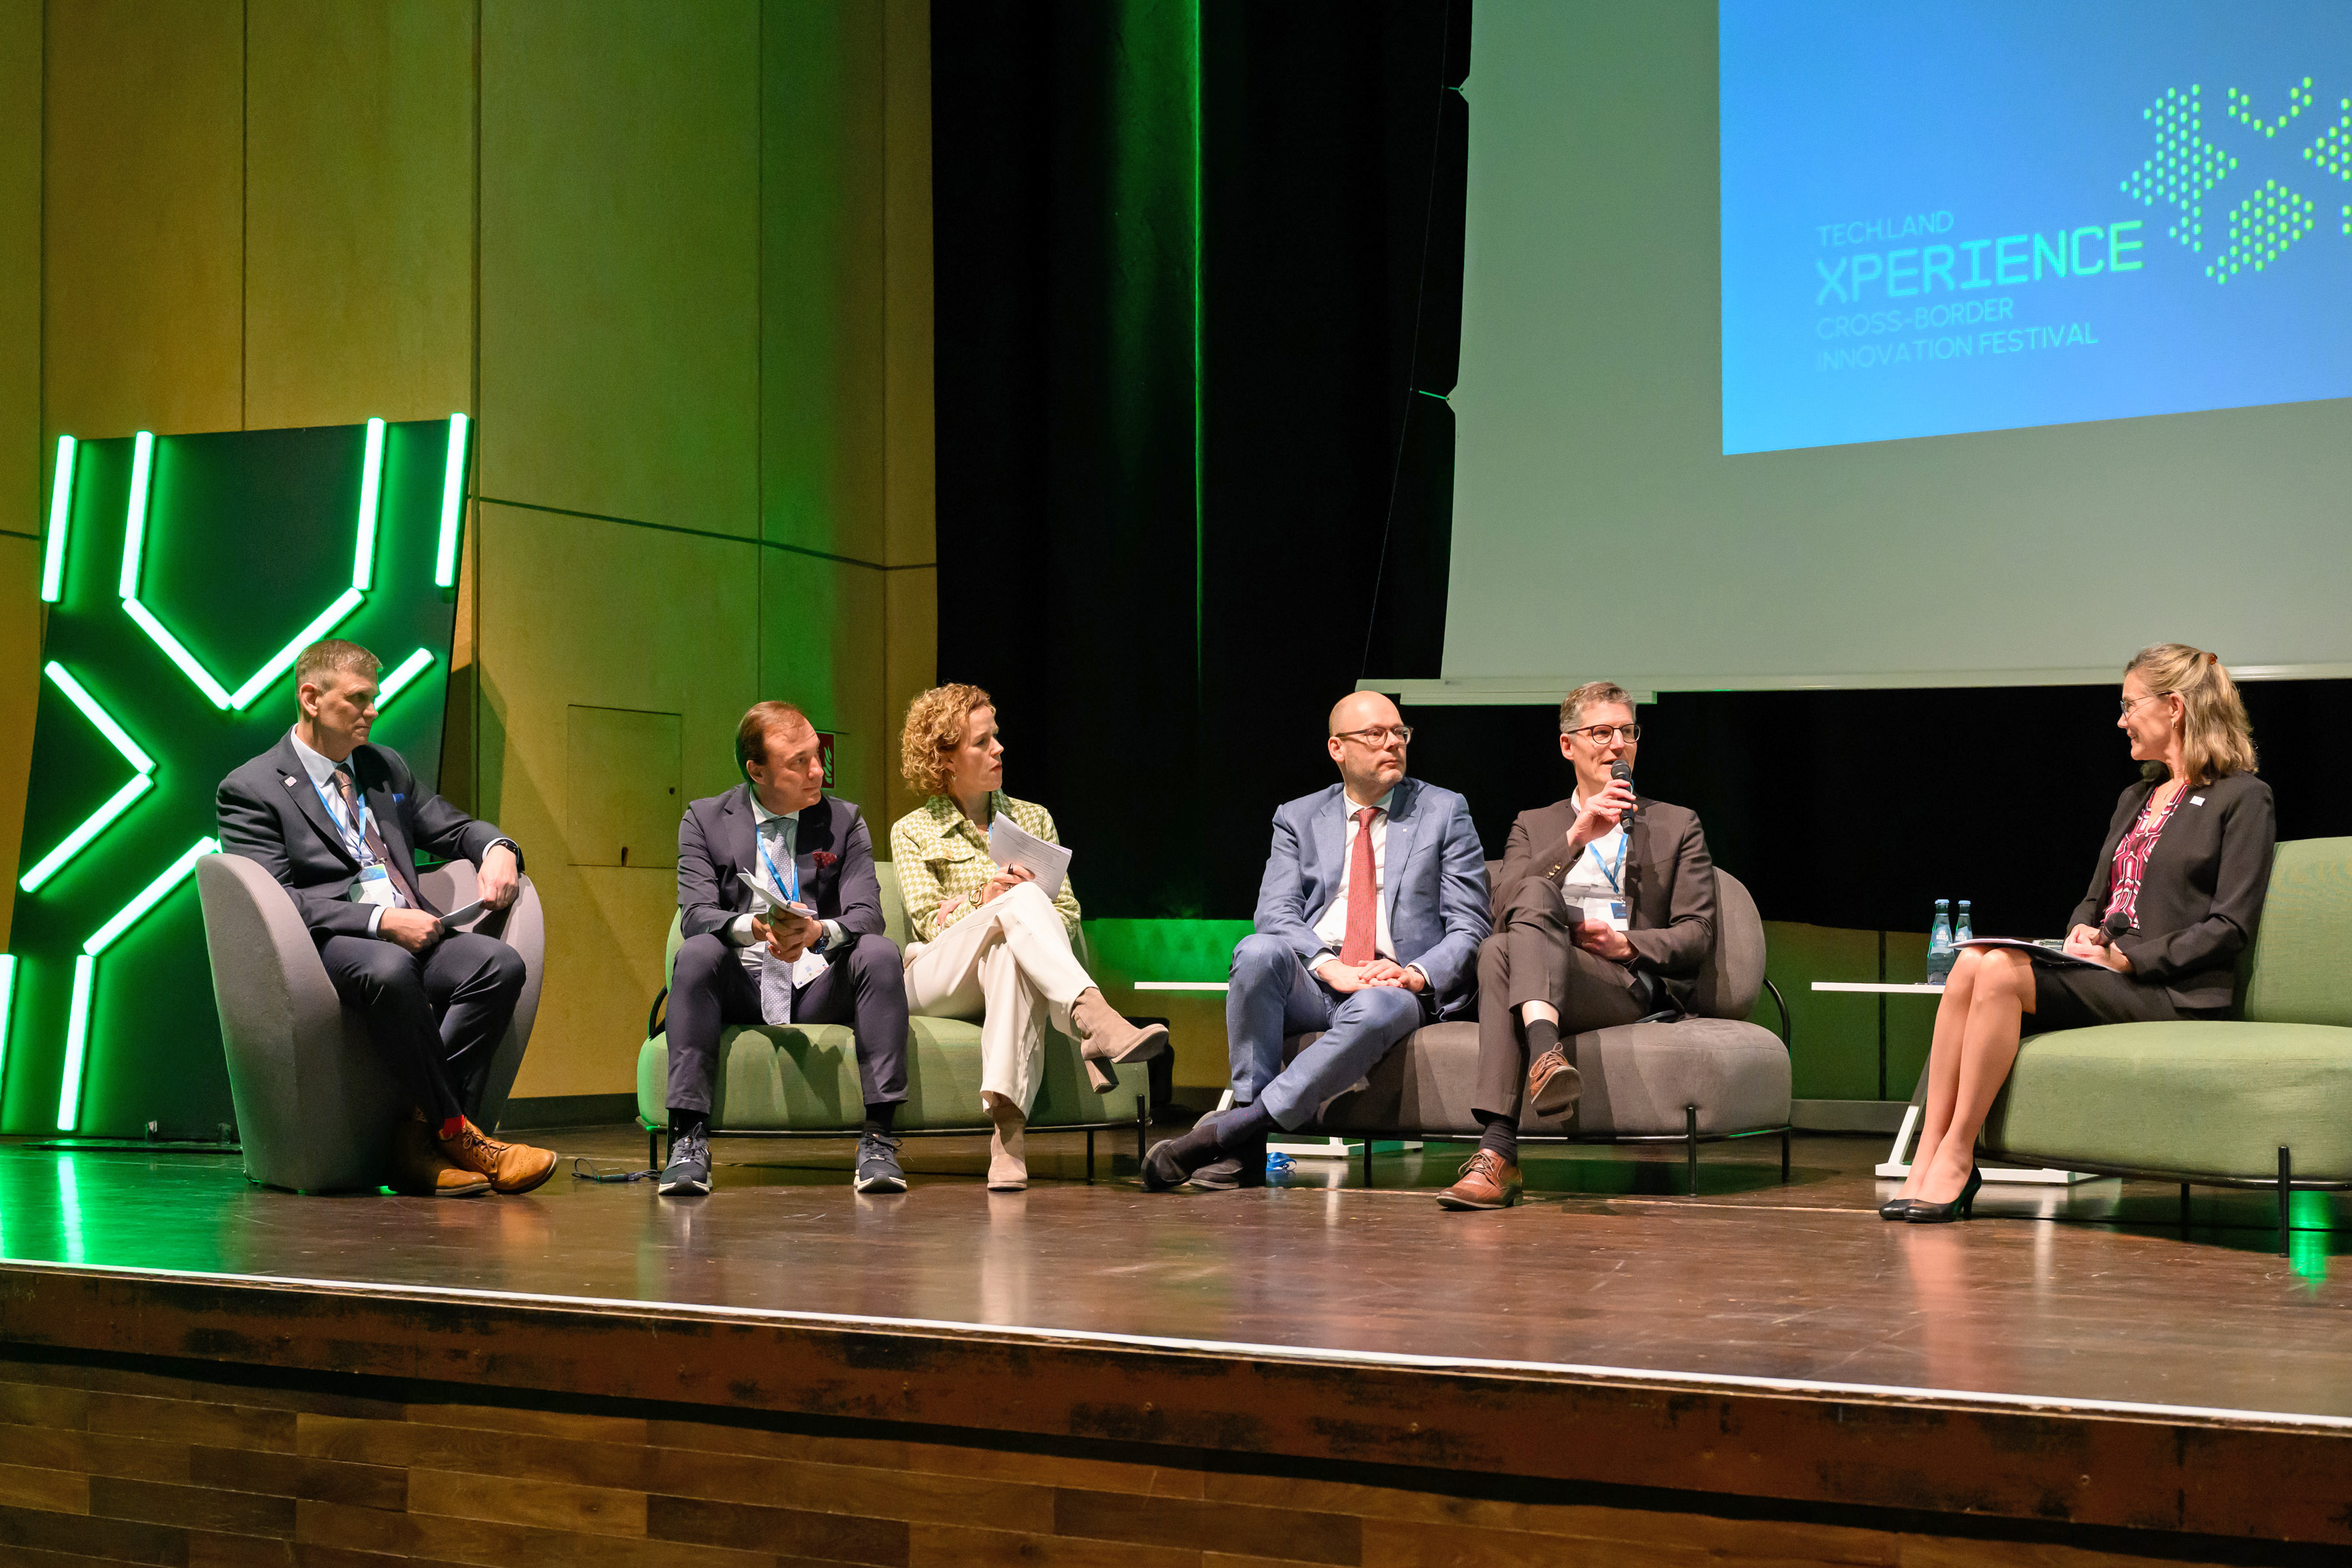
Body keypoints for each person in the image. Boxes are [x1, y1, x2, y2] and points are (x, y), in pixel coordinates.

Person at [1890, 644, 2275, 1223]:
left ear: (2173, 707)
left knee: (1997, 973)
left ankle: (1957, 1152)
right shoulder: (2134, 798)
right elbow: (2096, 896)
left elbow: (2228, 927)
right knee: (1971, 960)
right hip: (2109, 973)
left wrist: (2131, 960)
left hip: (2171, 991)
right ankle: (1926, 1152)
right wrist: (2080, 931)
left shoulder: (2242, 798)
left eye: (2128, 705)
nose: (2120, 720)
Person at [216, 638, 555, 1199]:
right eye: (359, 699)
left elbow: (453, 827)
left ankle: (421, 1139)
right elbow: (274, 901)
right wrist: (378, 923)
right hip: (333, 939)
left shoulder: (382, 767)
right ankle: (461, 1136)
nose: (373, 711)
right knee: (391, 971)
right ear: (311, 698)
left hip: (412, 928)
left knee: (497, 965)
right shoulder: (251, 788)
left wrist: (499, 848)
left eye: (375, 699)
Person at [1144, 692, 1489, 1192]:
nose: (1392, 743)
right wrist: (1327, 965)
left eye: (1399, 733)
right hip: (1314, 978)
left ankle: (1237, 1131)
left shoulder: (1443, 810)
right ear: (1337, 748)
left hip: (1391, 981)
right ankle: (1244, 1132)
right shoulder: (1298, 816)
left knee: (1376, 1009)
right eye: (1375, 734)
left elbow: (1469, 925)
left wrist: (1413, 974)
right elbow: (1274, 913)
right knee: (1255, 950)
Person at [1438, 681, 1719, 1211]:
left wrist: (1625, 944)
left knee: (1499, 954)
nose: (1616, 746)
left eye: (1627, 732)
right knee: (1512, 928)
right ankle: (1539, 1068)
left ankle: (1498, 1152)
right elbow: (1501, 908)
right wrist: (1574, 838)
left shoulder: (1676, 824)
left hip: (1620, 982)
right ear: (1568, 745)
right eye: (1600, 732)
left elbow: (1695, 934)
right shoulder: (1536, 824)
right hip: (1540, 967)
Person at [889, 684, 1170, 1191]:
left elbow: (1066, 911)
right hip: (935, 976)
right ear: (945, 758)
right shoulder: (911, 830)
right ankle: (1092, 1017)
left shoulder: (1033, 818)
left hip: (1002, 964)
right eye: (981, 742)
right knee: (1016, 902)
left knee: (1010, 951)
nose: (998, 748)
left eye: (995, 736)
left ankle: (1008, 1142)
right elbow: (928, 922)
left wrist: (1010, 909)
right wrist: (986, 899)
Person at [660, 700, 911, 1197]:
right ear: (756, 770)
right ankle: (688, 1141)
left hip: (817, 982)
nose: (817, 770)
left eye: (818, 756)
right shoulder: (704, 820)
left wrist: (816, 934)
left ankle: (880, 1139)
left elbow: (867, 915)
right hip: (743, 984)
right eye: (798, 762)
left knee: (879, 952)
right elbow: (695, 915)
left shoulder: (845, 821)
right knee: (695, 954)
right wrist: (756, 928)